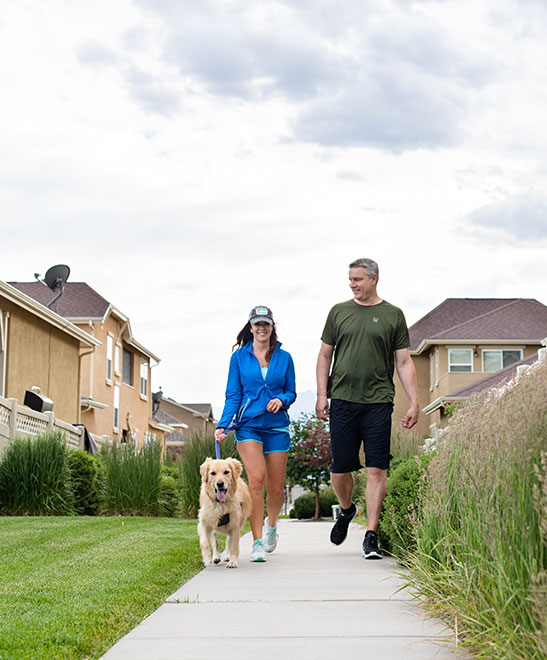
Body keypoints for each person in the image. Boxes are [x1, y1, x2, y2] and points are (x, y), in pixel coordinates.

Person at [315, 258, 419, 559]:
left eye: (357, 279)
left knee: (377, 468)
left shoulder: (393, 315)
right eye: (350, 279)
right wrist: (323, 395)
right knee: (340, 469)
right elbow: (324, 356)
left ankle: (370, 535)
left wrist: (414, 401)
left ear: (373, 279)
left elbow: (404, 361)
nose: (352, 284)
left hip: (378, 401)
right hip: (343, 400)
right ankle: (347, 510)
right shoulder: (339, 312)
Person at [215, 306, 296, 562]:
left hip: (276, 426)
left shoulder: (285, 358)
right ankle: (258, 541)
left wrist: (281, 400)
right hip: (248, 425)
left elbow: (291, 392)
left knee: (275, 487)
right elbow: (233, 394)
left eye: (266, 324)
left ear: (272, 328)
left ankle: (272, 526)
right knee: (256, 480)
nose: (262, 328)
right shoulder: (239, 358)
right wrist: (223, 424)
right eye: (257, 324)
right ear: (250, 328)